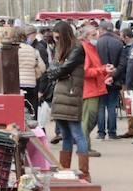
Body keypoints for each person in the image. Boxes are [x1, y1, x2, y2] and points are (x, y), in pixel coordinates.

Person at [48, 20, 92, 179]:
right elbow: (54, 69)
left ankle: (84, 172)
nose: (56, 40)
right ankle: (65, 170)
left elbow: (61, 69)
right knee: (66, 135)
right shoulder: (63, 48)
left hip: (71, 94)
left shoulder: (77, 48)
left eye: (58, 37)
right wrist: (57, 71)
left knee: (77, 134)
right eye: (55, 38)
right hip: (62, 95)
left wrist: (58, 71)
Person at [79, 21, 110, 156]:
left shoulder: (90, 48)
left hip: (93, 89)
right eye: (93, 35)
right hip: (89, 90)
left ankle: (84, 146)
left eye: (96, 34)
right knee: (89, 119)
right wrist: (102, 70)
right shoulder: (85, 49)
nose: (96, 37)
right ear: (85, 36)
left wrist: (104, 71)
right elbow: (85, 72)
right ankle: (84, 147)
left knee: (90, 119)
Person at [94, 20, 123, 140]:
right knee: (112, 106)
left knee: (100, 106)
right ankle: (112, 132)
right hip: (115, 79)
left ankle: (101, 132)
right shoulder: (119, 43)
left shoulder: (96, 43)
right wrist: (113, 75)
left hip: (99, 79)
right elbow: (122, 63)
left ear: (102, 30)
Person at [114, 26, 133, 139]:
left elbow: (124, 66)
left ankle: (132, 129)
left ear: (125, 37)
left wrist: (114, 76)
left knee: (129, 106)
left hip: (127, 81)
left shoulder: (126, 50)